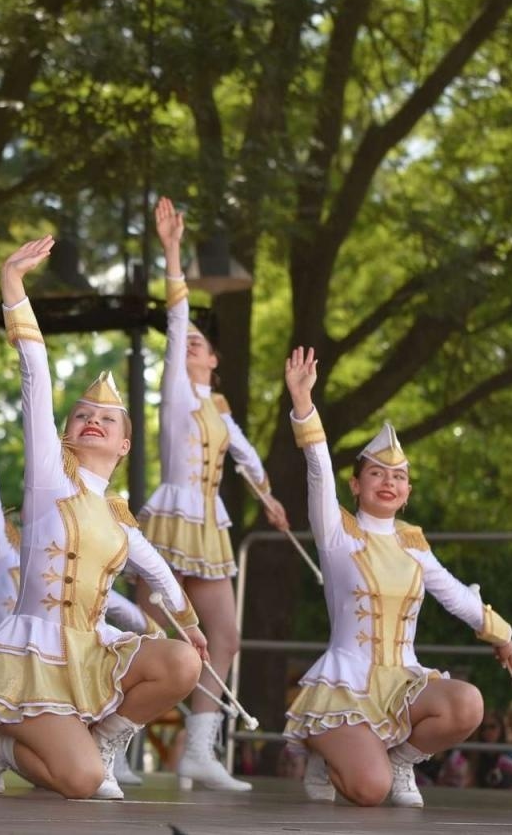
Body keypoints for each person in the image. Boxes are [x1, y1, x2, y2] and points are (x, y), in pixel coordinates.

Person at [0, 235, 205, 801]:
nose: (93, 421)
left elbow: (160, 574)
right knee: (84, 783)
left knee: (182, 664)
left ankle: (108, 737)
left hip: (92, 653)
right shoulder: (50, 479)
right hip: (35, 656)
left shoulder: (119, 516)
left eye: (107, 420)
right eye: (82, 415)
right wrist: (12, 285)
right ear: (67, 432)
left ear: (124, 445)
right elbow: (35, 375)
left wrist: (190, 628)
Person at [282, 346, 512, 808]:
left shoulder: (413, 543)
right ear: (356, 484)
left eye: (399, 477)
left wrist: (500, 633)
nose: (388, 482)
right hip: (347, 683)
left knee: (467, 702)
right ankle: (326, 753)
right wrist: (304, 404)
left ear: (407, 492)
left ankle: (403, 760)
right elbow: (318, 469)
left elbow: (452, 593)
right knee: (370, 791)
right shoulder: (338, 533)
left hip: (404, 682)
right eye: (376, 474)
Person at [0, 344, 156, 789]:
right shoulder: (0, 546)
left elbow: (106, 598)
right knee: (77, 780)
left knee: (82, 778)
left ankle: (70, 749)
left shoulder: (78, 549)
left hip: (63, 675)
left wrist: (148, 627)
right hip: (11, 678)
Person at [139, 197, 290, 790]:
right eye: (188, 342)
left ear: (217, 360)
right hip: (173, 514)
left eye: (202, 343)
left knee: (223, 635)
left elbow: (248, 457)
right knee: (148, 629)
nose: (192, 344)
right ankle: (115, 734)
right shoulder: (176, 391)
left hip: (210, 523)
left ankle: (199, 752)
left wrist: (269, 496)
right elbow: (177, 320)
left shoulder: (220, 410)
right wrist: (174, 251)